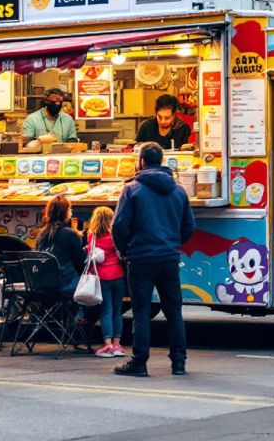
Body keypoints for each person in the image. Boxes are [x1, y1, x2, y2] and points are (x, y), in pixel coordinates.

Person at [112, 142, 196, 378]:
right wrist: (173, 243)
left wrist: (124, 249)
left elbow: (119, 226)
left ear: (141, 161)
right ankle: (178, 363)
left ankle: (140, 362)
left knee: (141, 311)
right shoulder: (179, 190)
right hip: (168, 257)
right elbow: (189, 226)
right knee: (174, 311)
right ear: (161, 161)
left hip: (140, 257)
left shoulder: (131, 189)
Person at [86, 206, 127, 358]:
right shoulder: (114, 237)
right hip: (118, 276)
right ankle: (117, 344)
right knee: (117, 311)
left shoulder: (92, 237)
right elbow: (120, 254)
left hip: (102, 278)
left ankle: (107, 343)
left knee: (106, 311)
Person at [35, 195, 84, 297]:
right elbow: (80, 263)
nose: (71, 211)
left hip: (44, 283)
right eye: (70, 208)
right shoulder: (70, 234)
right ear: (65, 211)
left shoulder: (41, 234)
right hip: (65, 284)